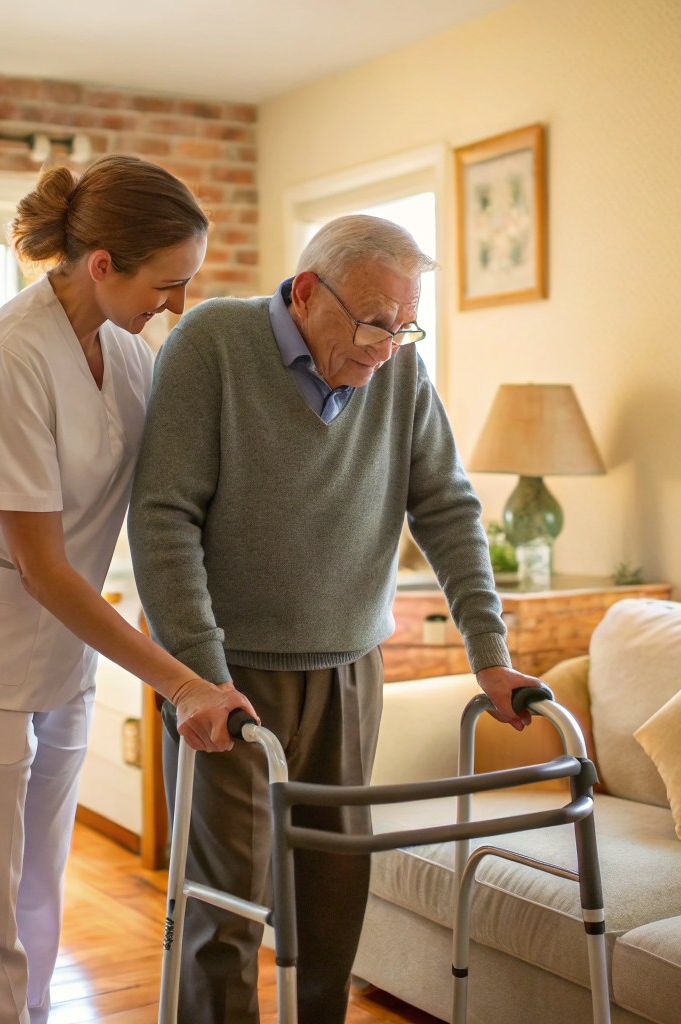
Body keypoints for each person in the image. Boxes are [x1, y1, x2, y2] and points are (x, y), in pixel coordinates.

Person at [128, 214, 545, 1024]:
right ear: (308, 291)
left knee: (329, 894)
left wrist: (488, 654)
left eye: (403, 325)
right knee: (226, 905)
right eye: (373, 323)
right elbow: (162, 516)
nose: (386, 345)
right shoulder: (212, 342)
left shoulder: (396, 370)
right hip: (229, 676)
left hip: (350, 669)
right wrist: (197, 674)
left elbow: (448, 509)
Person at [0, 155, 256, 1024]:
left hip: (58, 659)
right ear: (101, 265)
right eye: (167, 283)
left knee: (37, 896)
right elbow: (42, 568)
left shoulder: (124, 355)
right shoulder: (6, 355)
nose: (176, 305)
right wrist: (178, 679)